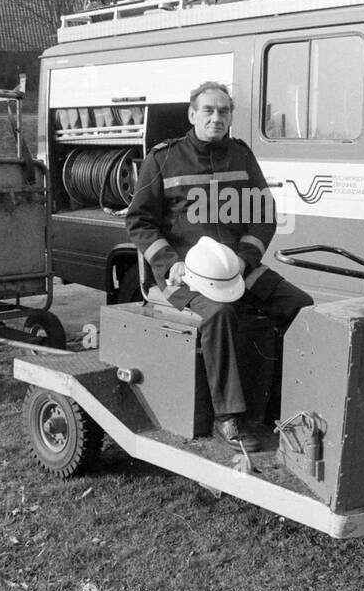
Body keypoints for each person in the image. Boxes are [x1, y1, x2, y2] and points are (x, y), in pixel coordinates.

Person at [126, 81, 313, 452]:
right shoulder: (162, 159)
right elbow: (139, 222)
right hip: (184, 274)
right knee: (221, 314)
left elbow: (263, 215)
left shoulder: (241, 156)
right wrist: (169, 263)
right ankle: (227, 417)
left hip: (240, 268)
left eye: (224, 111)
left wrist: (245, 259)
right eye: (208, 110)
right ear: (191, 114)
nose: (217, 118)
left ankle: (280, 405)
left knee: (300, 306)